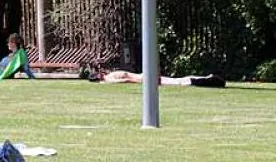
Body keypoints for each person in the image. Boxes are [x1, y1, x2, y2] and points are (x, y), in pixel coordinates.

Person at [88, 68, 226, 88]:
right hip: (144, 79)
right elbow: (125, 80)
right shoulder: (108, 79)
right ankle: (208, 80)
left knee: (177, 80)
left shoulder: (109, 76)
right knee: (177, 82)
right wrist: (143, 82)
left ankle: (208, 78)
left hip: (144, 77)